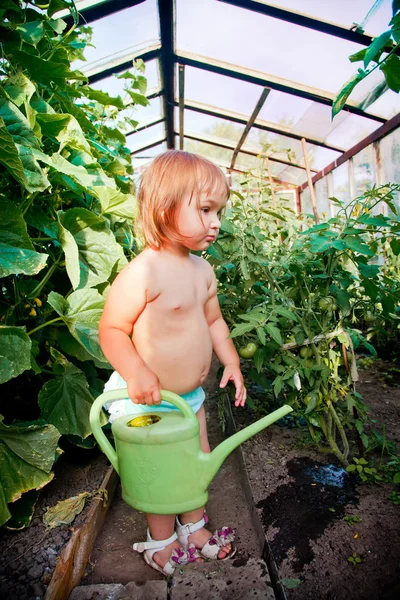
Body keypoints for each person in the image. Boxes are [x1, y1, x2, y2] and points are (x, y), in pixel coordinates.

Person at [98, 150, 247, 576]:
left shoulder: (202, 271)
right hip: (148, 399)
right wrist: (137, 372)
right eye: (205, 209)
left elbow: (214, 321)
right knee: (158, 473)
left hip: (191, 398)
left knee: (195, 462)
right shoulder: (144, 272)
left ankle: (194, 529)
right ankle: (161, 541)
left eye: (219, 211)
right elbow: (111, 329)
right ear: (164, 210)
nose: (216, 221)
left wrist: (231, 363)